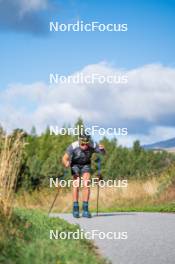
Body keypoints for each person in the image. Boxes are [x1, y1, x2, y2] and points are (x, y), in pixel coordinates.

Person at [62, 133, 105, 218]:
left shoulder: (93, 144)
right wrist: (66, 163)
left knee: (86, 184)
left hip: (86, 164)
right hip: (75, 164)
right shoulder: (73, 146)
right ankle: (75, 208)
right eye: (82, 144)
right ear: (79, 141)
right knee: (76, 184)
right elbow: (64, 158)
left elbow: (103, 154)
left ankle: (85, 209)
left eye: (87, 144)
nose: (85, 146)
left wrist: (103, 150)